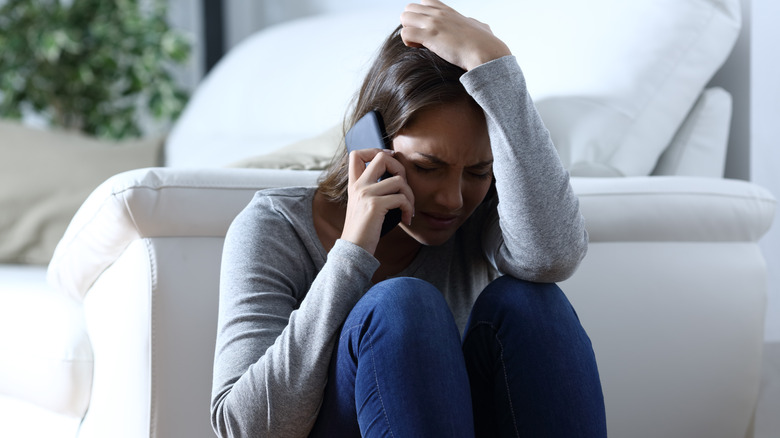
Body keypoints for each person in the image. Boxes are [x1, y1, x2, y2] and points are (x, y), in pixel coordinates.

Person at [211, 1, 607, 436]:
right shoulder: (275, 227)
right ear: (372, 142)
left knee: (533, 302)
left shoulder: (482, 219)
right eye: (427, 166)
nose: (453, 199)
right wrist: (352, 253)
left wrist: (494, 67)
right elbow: (246, 428)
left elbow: (553, 258)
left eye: (478, 171)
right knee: (401, 304)